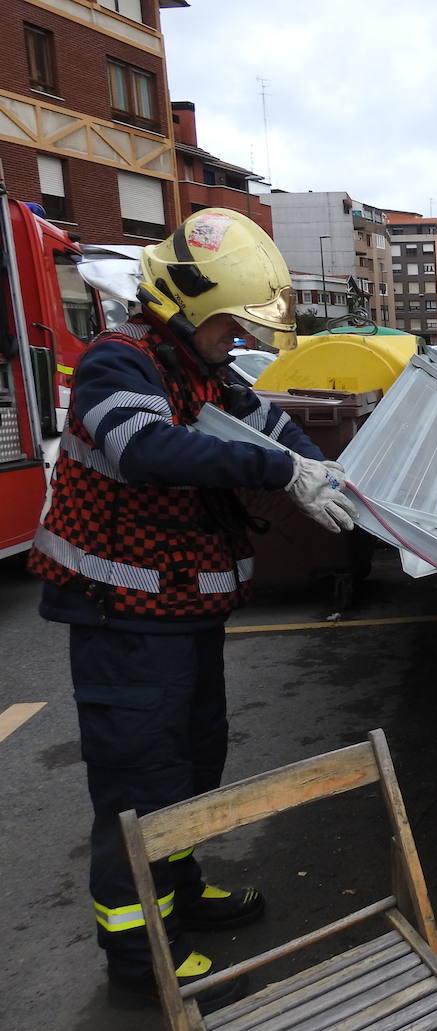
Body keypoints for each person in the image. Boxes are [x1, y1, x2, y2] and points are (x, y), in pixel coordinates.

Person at [27, 208, 357, 1011]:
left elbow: (275, 427)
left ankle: (182, 892)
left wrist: (339, 479)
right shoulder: (118, 364)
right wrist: (283, 476)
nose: (237, 339)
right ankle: (141, 961)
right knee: (137, 790)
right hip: (121, 620)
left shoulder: (203, 376)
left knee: (188, 770)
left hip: (179, 619)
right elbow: (147, 450)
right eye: (230, 324)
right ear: (182, 310)